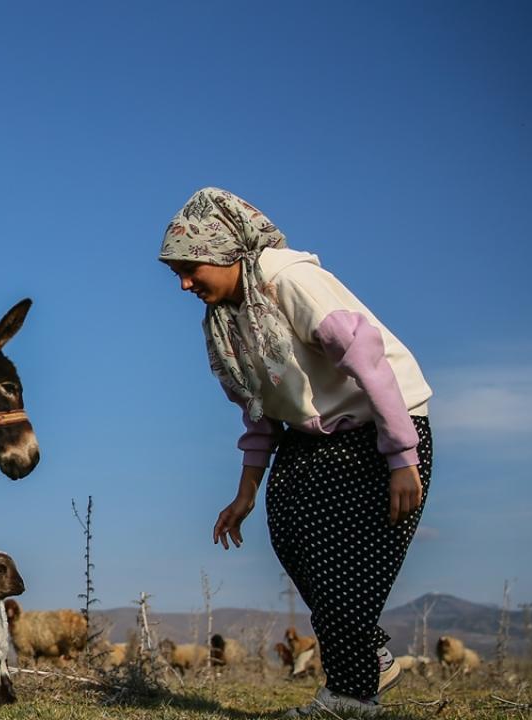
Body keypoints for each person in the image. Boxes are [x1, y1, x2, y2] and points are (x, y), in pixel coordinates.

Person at [159, 188, 432, 716]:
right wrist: (244, 495)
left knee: (348, 564)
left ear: (225, 251)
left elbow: (368, 359)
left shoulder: (288, 280)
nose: (185, 283)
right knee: (289, 532)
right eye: (178, 273)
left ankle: (352, 697)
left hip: (382, 424)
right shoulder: (226, 322)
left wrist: (402, 456)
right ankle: (366, 656)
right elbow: (260, 412)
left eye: (191, 268)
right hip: (311, 436)